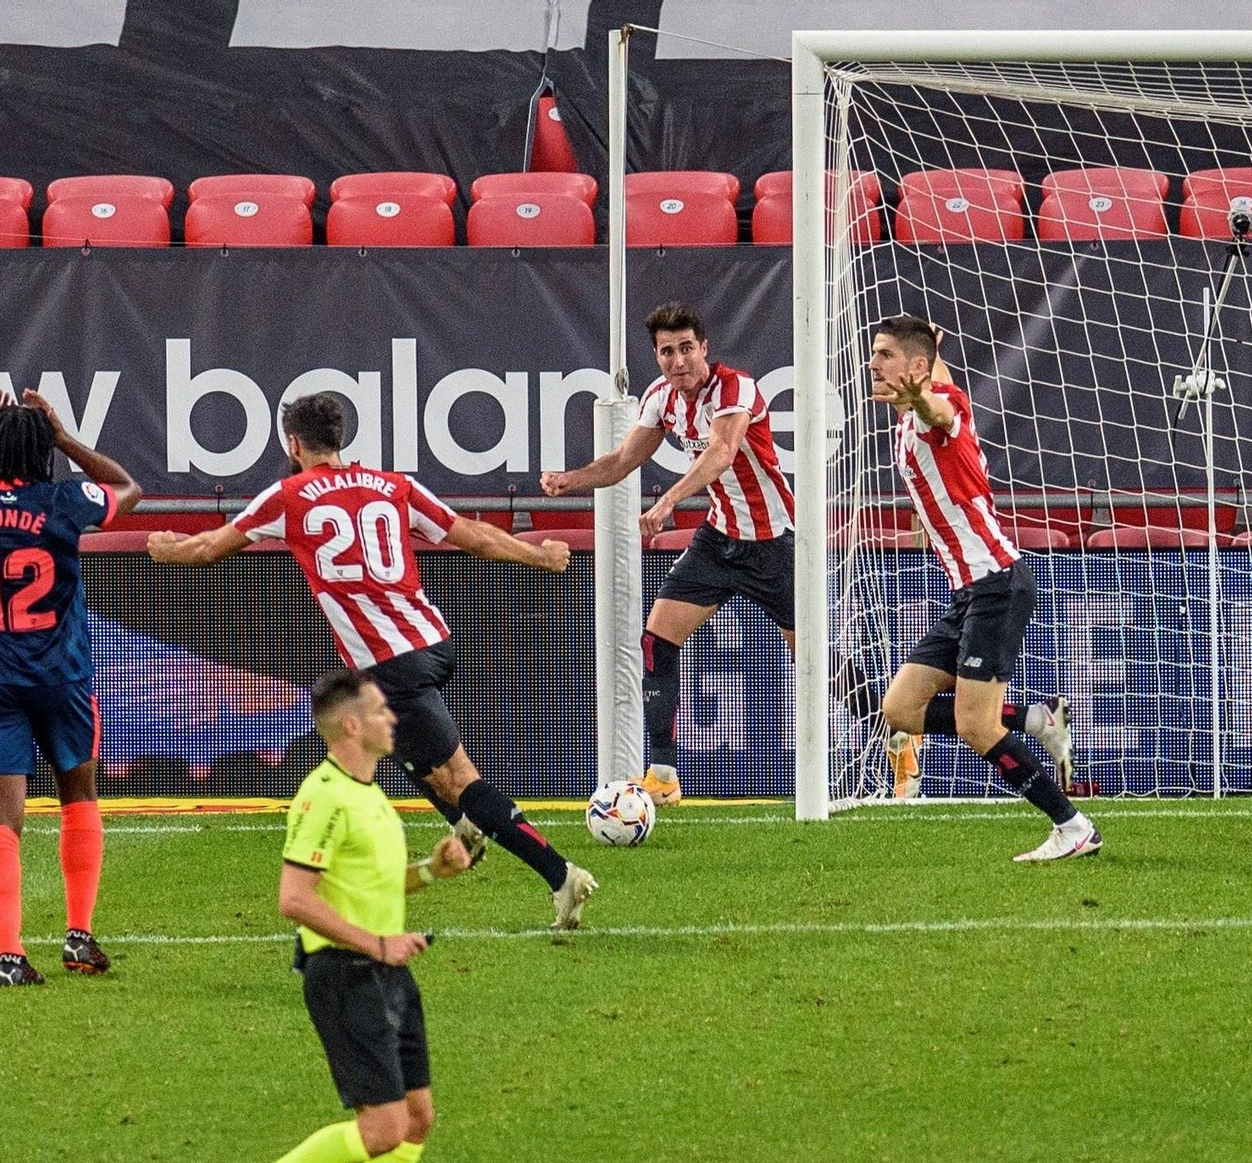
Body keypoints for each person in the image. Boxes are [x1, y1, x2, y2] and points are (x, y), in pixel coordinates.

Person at [148, 392, 597, 929]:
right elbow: (473, 537)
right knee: (381, 737)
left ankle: (560, 875)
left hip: (391, 660)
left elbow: (207, 549)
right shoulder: (393, 484)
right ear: (339, 438)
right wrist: (539, 555)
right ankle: (464, 824)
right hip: (433, 640)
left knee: (457, 776)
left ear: (293, 444)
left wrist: (166, 549)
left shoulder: (288, 496)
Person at [541, 301, 797, 805]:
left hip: (774, 542)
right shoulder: (661, 397)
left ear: (704, 348)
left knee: (815, 661)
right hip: (719, 539)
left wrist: (668, 500)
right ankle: (662, 774)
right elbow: (622, 460)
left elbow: (721, 452)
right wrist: (570, 480)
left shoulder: (735, 388)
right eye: (666, 352)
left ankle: (898, 725)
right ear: (656, 357)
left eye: (686, 348)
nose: (678, 361)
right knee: (656, 641)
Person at [869, 313, 1096, 861]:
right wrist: (930, 351)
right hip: (969, 593)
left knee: (975, 725)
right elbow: (931, 376)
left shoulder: (935, 412)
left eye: (884, 355)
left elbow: (939, 409)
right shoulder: (916, 407)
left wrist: (922, 395)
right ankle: (1035, 719)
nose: (872, 364)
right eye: (873, 353)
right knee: (900, 709)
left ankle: (1072, 826)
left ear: (916, 368)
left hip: (995, 584)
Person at [0, 389, 143, 985]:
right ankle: (78, 935)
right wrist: (65, 438)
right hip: (63, 677)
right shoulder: (64, 500)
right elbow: (129, 488)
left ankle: (9, 956)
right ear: (44, 451)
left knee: (1, 815)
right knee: (77, 794)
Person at [273, 669, 471, 1163]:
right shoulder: (323, 797)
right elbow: (294, 898)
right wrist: (378, 944)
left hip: (387, 973)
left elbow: (374, 882)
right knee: (383, 1129)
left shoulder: (369, 793)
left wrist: (431, 871)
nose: (392, 719)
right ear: (352, 726)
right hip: (346, 974)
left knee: (417, 1119)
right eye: (381, 710)